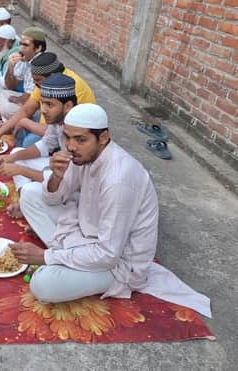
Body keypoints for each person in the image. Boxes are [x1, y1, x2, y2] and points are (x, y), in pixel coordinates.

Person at [11, 104, 211, 319]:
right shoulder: (81, 156)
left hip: (118, 263)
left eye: (80, 139)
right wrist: (57, 177)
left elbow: (108, 255)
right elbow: (54, 198)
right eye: (67, 137)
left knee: (42, 284)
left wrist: (45, 257)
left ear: (104, 137)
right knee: (30, 194)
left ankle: (63, 258)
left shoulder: (119, 179)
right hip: (86, 232)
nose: (71, 146)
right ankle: (68, 257)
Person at [0, 52, 95, 149]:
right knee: (19, 124)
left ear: (51, 76)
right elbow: (26, 110)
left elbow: (57, 130)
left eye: (38, 80)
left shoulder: (70, 86)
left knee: (29, 142)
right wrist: (0, 132)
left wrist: (26, 123)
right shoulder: (45, 82)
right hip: (52, 125)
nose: (35, 84)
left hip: (69, 135)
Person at [0, 74, 76, 199]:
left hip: (72, 189)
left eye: (50, 105)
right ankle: (23, 198)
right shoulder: (58, 121)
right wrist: (11, 157)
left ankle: (27, 199)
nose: (43, 110)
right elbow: (44, 146)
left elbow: (66, 179)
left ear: (68, 106)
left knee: (30, 189)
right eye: (42, 103)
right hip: (60, 173)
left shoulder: (77, 132)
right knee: (16, 153)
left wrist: (21, 170)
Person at [0, 27, 46, 121]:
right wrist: (11, 67)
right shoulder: (26, 58)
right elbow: (10, 86)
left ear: (38, 48)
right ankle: (10, 122)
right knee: (3, 94)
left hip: (39, 108)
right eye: (20, 44)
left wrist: (17, 99)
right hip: (26, 100)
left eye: (25, 45)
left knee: (8, 109)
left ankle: (11, 122)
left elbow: (31, 97)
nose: (20, 48)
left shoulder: (41, 63)